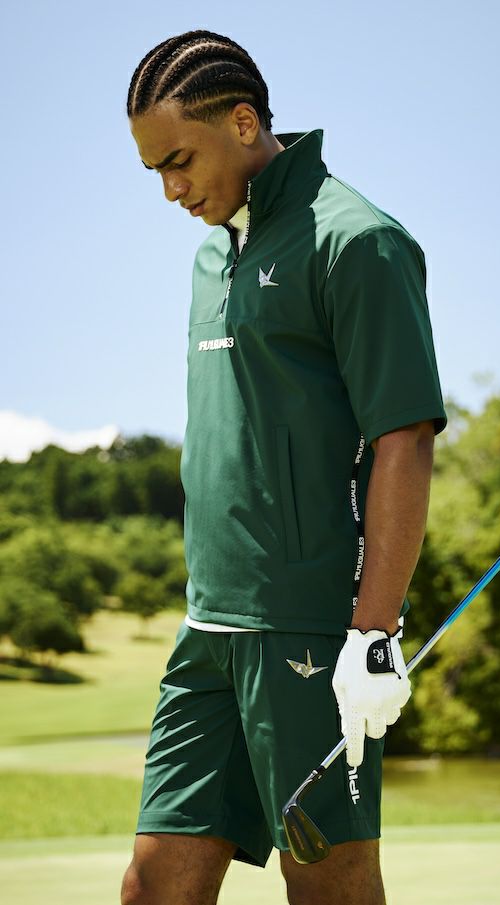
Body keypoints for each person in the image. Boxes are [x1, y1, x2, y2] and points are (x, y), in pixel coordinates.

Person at [122, 29, 447, 905]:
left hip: (310, 632)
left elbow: (405, 438)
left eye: (179, 161)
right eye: (154, 170)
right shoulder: (210, 255)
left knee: (330, 888)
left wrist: (373, 631)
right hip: (209, 627)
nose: (171, 189)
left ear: (243, 122)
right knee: (152, 886)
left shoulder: (359, 241)